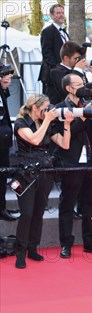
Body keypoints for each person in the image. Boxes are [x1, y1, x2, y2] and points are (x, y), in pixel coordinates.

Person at [13, 94, 74, 269]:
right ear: (34, 108)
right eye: (45, 108)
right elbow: (34, 139)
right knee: (27, 213)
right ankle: (20, 252)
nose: (48, 111)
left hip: (45, 173)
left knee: (38, 212)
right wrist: (47, 121)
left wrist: (67, 125)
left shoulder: (49, 124)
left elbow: (65, 144)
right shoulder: (21, 123)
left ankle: (32, 248)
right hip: (25, 175)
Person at [55, 74, 92, 259]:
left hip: (90, 161)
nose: (83, 87)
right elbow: (69, 132)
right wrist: (84, 116)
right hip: (71, 162)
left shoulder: (88, 105)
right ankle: (66, 244)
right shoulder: (60, 108)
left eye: (83, 84)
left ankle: (90, 242)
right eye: (78, 85)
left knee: (90, 204)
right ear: (69, 88)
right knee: (67, 204)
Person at [39, 3, 69, 93]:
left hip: (64, 73)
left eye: (62, 13)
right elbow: (46, 53)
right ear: (51, 16)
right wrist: (58, 68)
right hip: (52, 75)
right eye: (58, 13)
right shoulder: (47, 31)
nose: (61, 15)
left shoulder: (64, 33)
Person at [0, 65, 17, 221]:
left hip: (3, 142)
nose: (6, 77)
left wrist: (4, 86)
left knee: (3, 176)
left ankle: (2, 207)